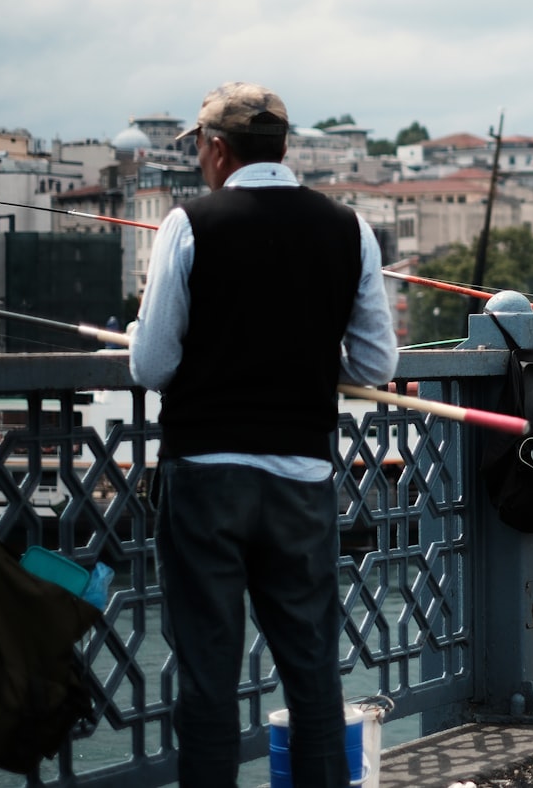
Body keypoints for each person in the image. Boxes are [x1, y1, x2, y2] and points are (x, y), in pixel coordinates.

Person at [128, 82, 398, 787]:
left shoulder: (189, 224)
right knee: (311, 673)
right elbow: (376, 363)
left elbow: (153, 365)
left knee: (209, 677)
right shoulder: (350, 229)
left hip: (206, 472)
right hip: (301, 476)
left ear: (215, 149)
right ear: (284, 146)